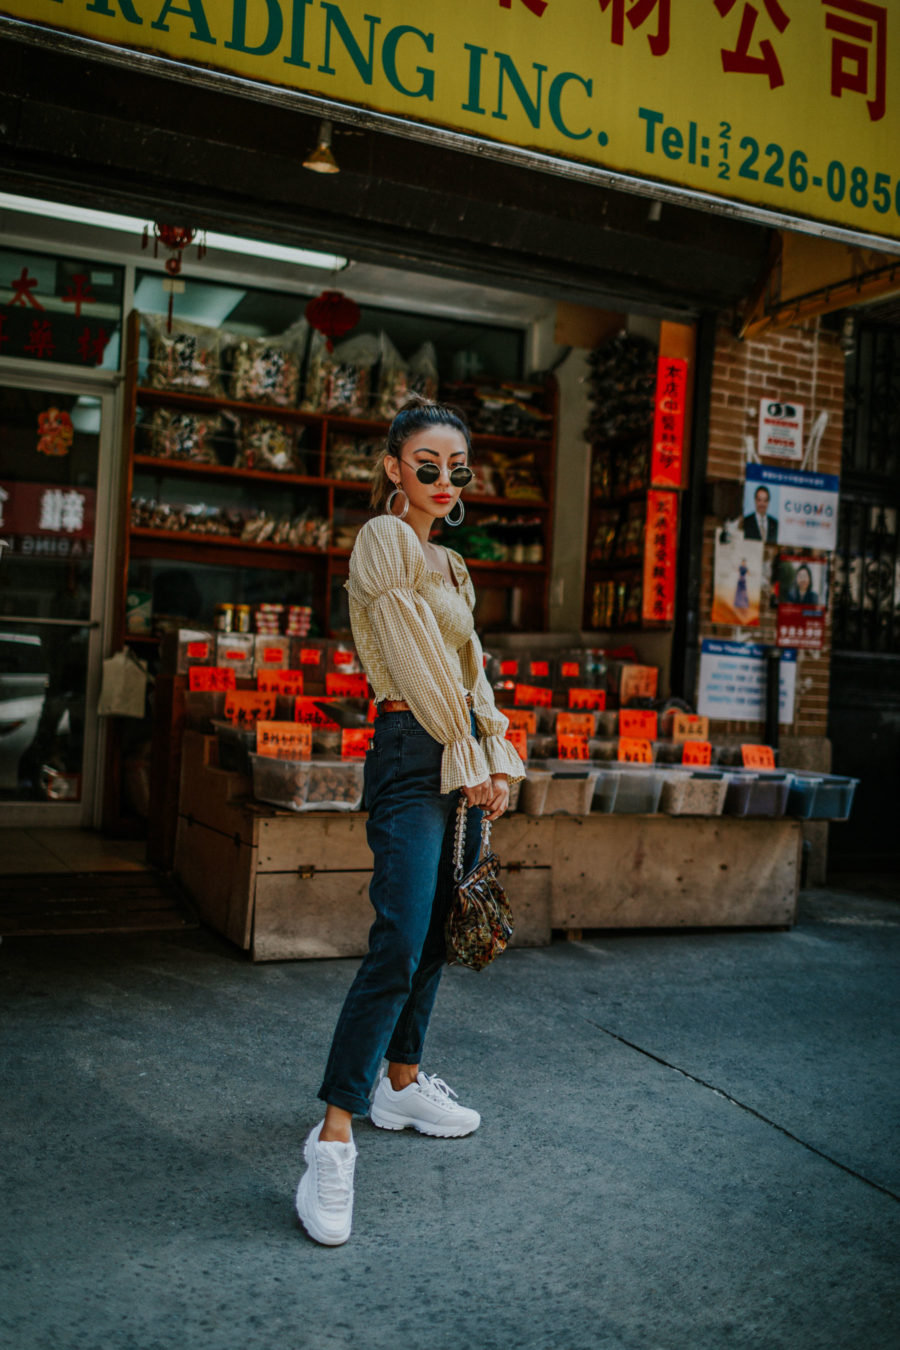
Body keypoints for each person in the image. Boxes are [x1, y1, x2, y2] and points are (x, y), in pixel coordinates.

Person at [295, 396, 524, 1247]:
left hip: (454, 748)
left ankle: (400, 1080)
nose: (439, 479)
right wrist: (467, 755)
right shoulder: (384, 541)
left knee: (433, 929)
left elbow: (474, 672)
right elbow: (423, 668)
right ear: (395, 467)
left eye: (454, 468)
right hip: (408, 744)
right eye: (424, 463)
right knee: (397, 937)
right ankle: (333, 1136)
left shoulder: (454, 566)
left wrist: (496, 754)